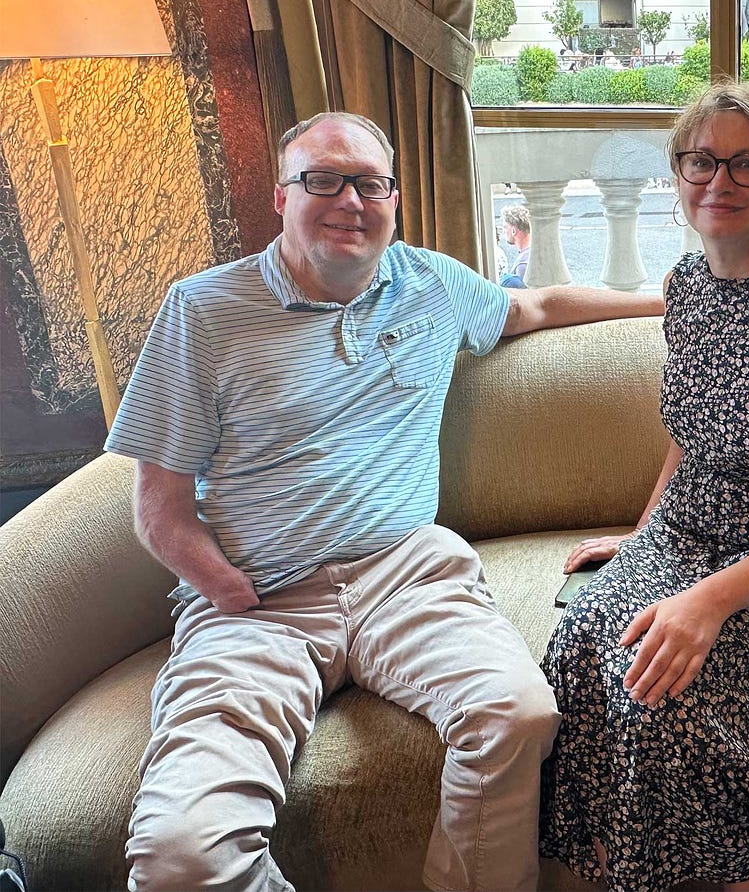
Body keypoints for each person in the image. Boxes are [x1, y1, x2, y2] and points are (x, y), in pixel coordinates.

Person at [106, 112, 664, 892]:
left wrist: (664, 302)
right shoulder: (202, 312)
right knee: (181, 857)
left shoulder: (430, 282)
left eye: (370, 183)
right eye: (323, 180)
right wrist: (232, 590)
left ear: (395, 198)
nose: (350, 200)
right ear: (280, 195)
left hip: (405, 574)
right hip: (258, 601)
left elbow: (533, 308)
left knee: (517, 715)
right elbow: (158, 507)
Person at [539, 84, 749, 891]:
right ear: (677, 174)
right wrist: (646, 533)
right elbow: (689, 438)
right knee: (578, 652)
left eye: (746, 164)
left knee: (667, 697)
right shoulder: (688, 286)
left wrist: (706, 602)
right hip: (690, 528)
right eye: (700, 161)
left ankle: (746, 878)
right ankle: (613, 871)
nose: (718, 182)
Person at [499, 203, 531, 289]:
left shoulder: (522, 264)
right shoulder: (533, 253)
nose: (503, 232)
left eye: (505, 227)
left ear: (513, 231)